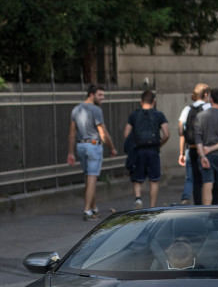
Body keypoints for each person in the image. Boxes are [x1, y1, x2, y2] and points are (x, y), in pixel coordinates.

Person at [66, 84, 118, 220]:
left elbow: (72, 134)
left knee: (89, 178)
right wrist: (111, 147)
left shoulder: (76, 109)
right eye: (100, 95)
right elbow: (103, 132)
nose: (103, 98)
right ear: (91, 95)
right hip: (94, 146)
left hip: (80, 146)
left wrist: (70, 152)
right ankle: (87, 210)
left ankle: (94, 208)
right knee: (92, 177)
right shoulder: (96, 110)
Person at [122, 90, 169, 208]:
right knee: (154, 180)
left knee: (138, 178)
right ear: (154, 102)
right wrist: (159, 144)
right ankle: (152, 207)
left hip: (138, 150)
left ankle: (138, 199)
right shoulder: (159, 115)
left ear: (141, 102)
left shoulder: (134, 115)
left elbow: (126, 134)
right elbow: (166, 134)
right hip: (153, 150)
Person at [177, 83, 211, 204]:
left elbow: (181, 131)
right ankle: (209, 204)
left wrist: (181, 153)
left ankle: (194, 203)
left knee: (193, 179)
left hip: (191, 148)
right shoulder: (209, 108)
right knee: (207, 179)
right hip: (205, 149)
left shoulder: (187, 109)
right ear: (206, 95)